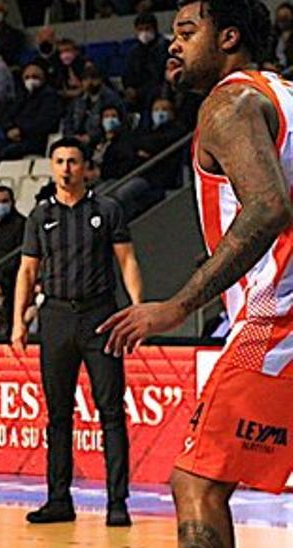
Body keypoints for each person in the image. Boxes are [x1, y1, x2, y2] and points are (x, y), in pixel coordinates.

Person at [97, 2, 293, 545]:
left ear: (228, 38)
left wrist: (178, 305)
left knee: (197, 483)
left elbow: (268, 208)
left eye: (187, 31)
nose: (173, 44)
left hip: (276, 323)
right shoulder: (285, 96)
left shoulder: (228, 101)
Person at [12, 137, 143, 527]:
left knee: (111, 412)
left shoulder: (107, 209)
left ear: (86, 167)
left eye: (73, 161)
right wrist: (18, 321)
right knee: (57, 415)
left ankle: (117, 503)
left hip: (100, 315)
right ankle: (58, 499)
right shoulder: (39, 215)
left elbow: (128, 260)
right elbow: (27, 271)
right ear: (51, 166)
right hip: (54, 317)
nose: (66, 168)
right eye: (60, 161)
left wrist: (137, 308)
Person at [0, 62, 65, 161]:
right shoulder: (18, 97)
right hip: (13, 139)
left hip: (37, 140)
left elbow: (45, 122)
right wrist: (9, 130)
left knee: (8, 152)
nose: (31, 79)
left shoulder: (50, 97)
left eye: (35, 76)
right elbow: (4, 116)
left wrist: (22, 130)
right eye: (27, 77)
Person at [123, 12, 170, 113]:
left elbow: (160, 77)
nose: (144, 33)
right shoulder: (133, 52)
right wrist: (129, 88)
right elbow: (127, 75)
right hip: (138, 95)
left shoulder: (165, 47)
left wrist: (139, 92)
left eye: (147, 28)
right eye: (140, 29)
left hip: (159, 91)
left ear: (155, 29)